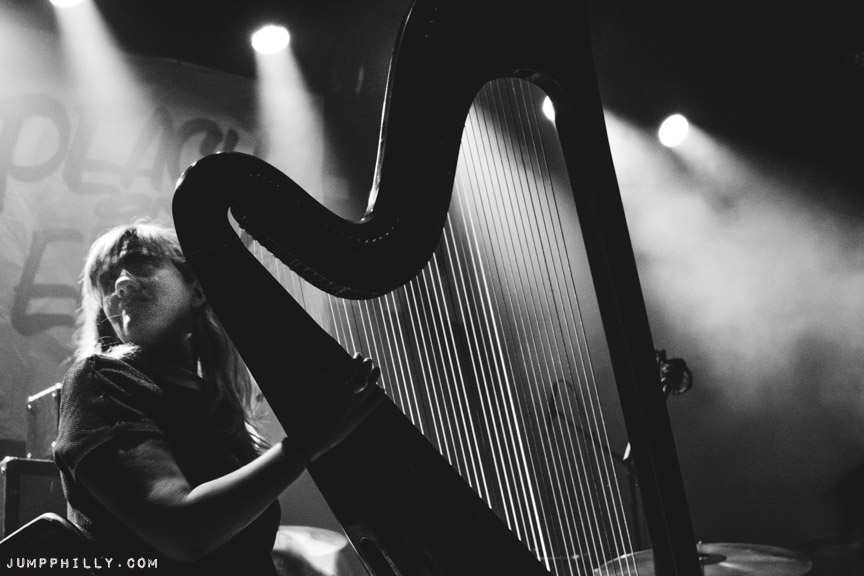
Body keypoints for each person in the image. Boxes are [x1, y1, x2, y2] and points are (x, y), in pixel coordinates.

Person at [53, 220, 382, 574]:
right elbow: (184, 531)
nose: (120, 283)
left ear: (196, 289)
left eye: (141, 263)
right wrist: (304, 445)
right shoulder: (99, 381)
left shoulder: (212, 404)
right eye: (107, 280)